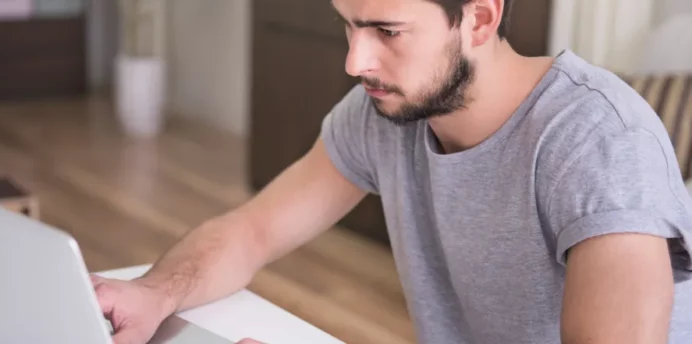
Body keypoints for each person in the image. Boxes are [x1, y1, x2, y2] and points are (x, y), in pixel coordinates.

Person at [91, 0, 692, 343]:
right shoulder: (387, 112)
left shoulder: (600, 141)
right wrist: (153, 293)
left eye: (386, 30)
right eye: (349, 24)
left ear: (480, 18)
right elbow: (252, 232)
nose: (356, 60)